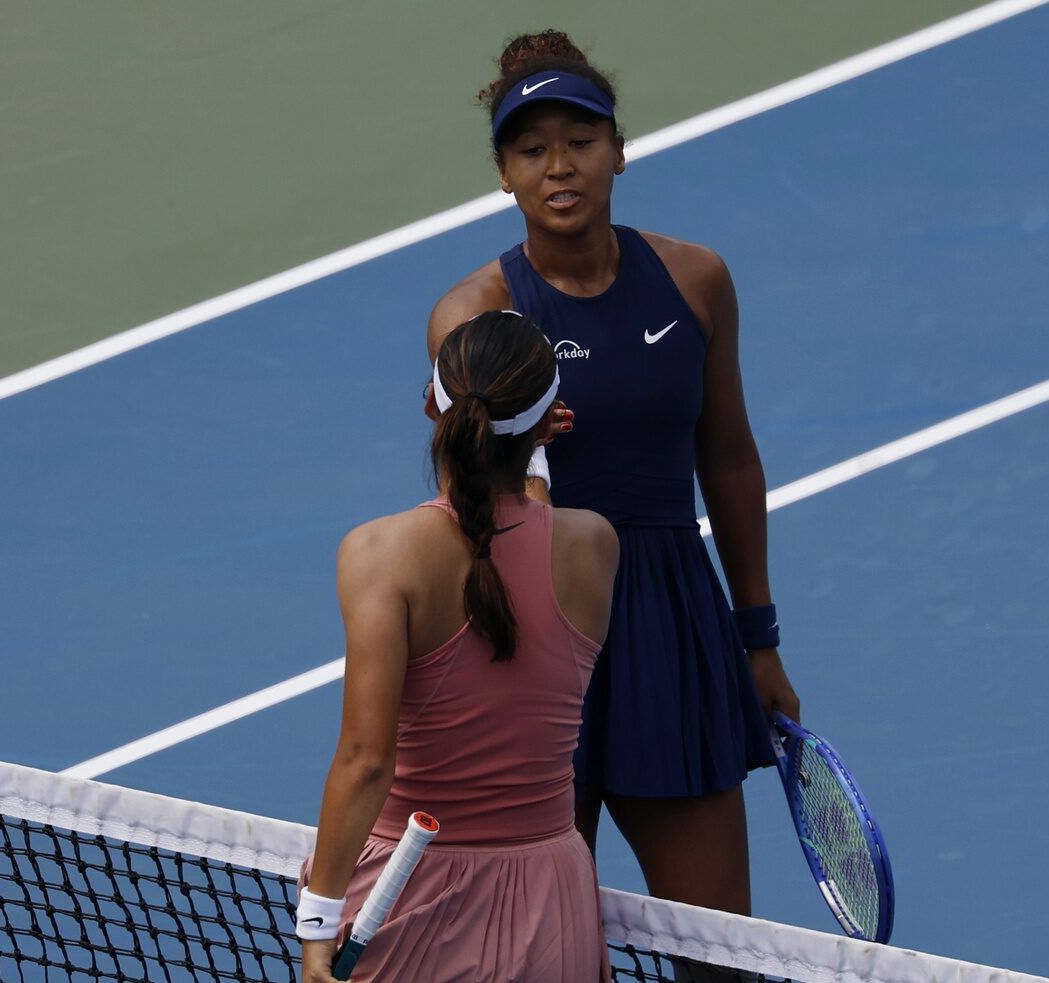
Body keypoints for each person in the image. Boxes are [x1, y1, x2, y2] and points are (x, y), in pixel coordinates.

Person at [424, 31, 801, 919]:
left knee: (720, 953)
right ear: (504, 174)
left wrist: (758, 636)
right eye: (531, 149)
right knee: (539, 951)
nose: (559, 167)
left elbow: (730, 456)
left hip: (669, 622)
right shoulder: (478, 313)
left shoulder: (695, 280)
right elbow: (472, 498)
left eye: (581, 141)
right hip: (534, 628)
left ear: (619, 153)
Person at [298, 311, 620, 982]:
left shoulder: (380, 555)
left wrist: (318, 924)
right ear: (543, 424)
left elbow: (364, 761)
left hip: (410, 895)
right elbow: (526, 531)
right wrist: (534, 455)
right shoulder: (594, 548)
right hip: (550, 901)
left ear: (429, 407)